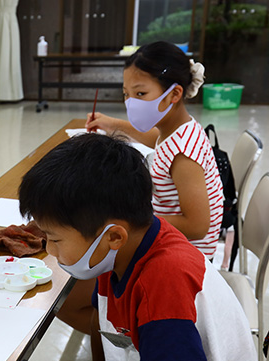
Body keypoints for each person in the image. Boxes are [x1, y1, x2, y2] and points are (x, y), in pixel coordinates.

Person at [6, 133, 257, 361]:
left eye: (55, 239)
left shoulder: (165, 280)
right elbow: (107, 326)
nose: (49, 249)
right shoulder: (125, 247)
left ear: (112, 236)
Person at [59, 41, 224, 335]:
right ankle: (112, 337)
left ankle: (121, 341)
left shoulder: (185, 154)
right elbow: (154, 137)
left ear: (174, 93)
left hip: (183, 255)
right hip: (167, 238)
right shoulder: (176, 129)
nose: (131, 102)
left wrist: (134, 220)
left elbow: (198, 225)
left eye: (140, 94)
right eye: (126, 94)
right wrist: (110, 123)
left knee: (77, 291)